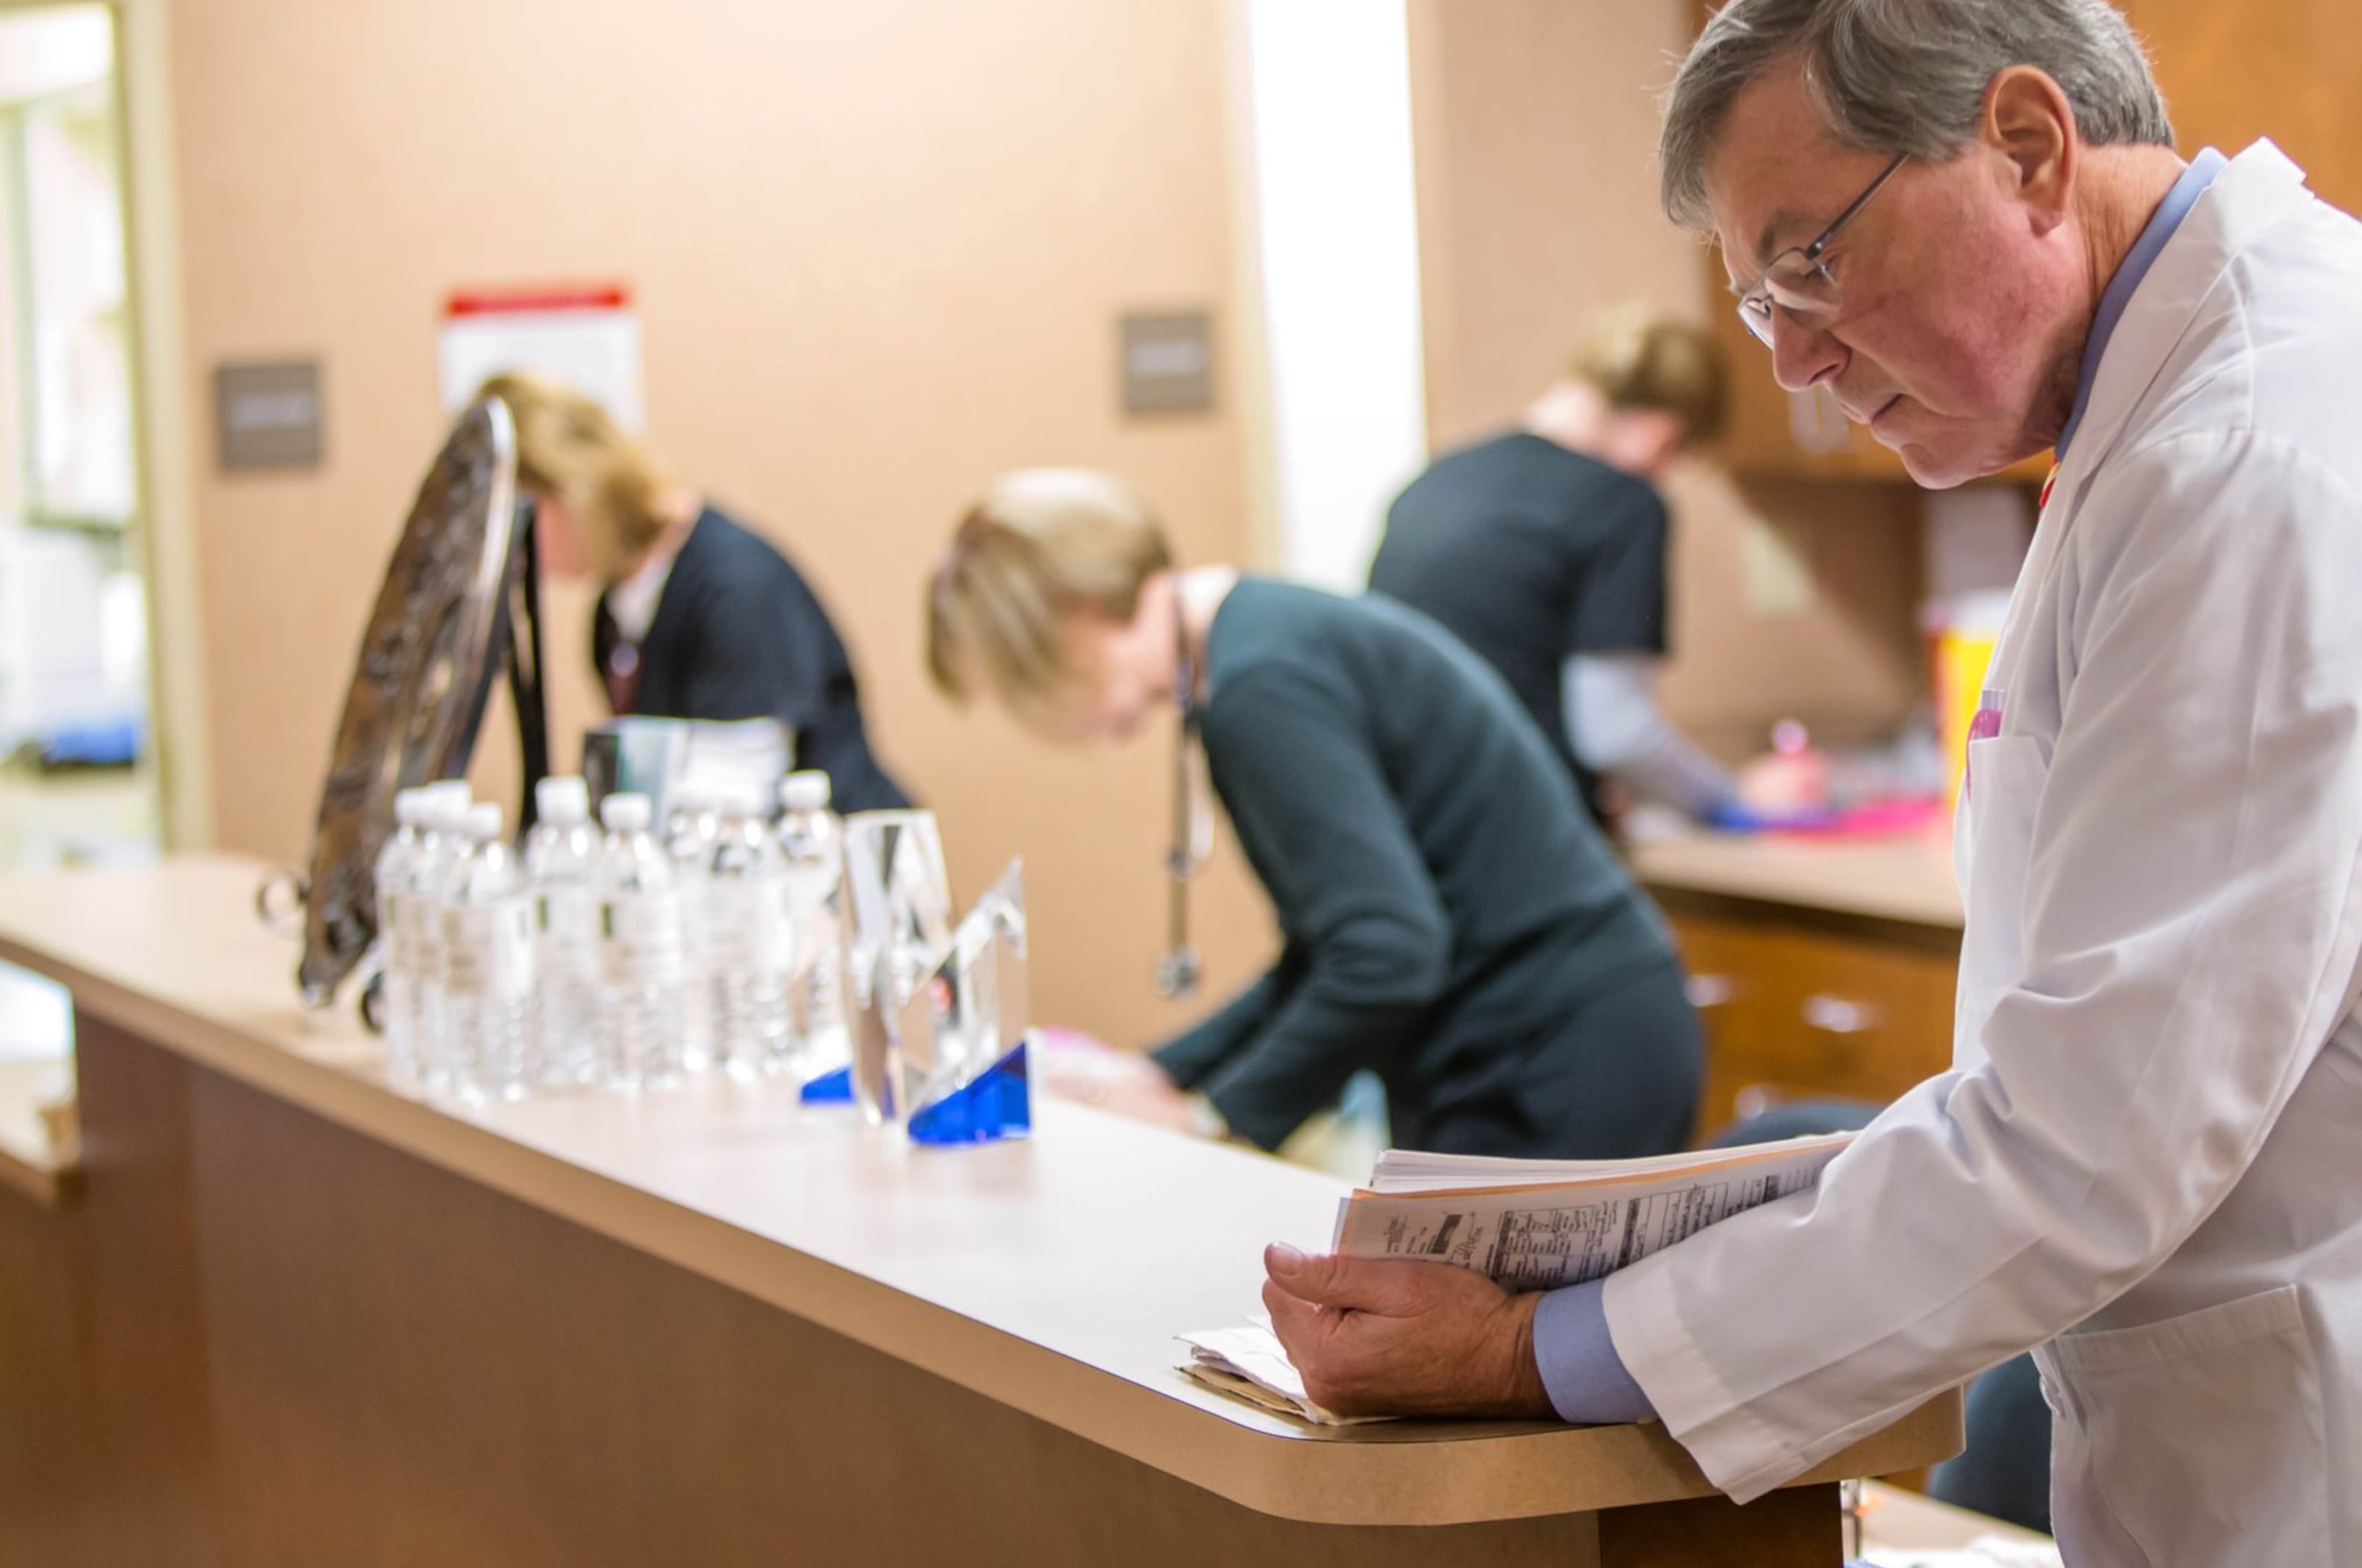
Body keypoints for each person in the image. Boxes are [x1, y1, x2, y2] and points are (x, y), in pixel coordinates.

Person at [1256, 0, 2362, 1564]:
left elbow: (2087, 1135)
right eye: (1758, 306)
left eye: (1808, 263)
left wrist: (1540, 1349)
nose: (1789, 358)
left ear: (2020, 142)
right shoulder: (2181, 417)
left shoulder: (2267, 442)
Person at [922, 467, 1701, 1159]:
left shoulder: (1259, 686)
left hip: (1553, 1061)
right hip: (1567, 1034)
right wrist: (1162, 1073)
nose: (1044, 713)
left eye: (1029, 676)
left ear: (1081, 612)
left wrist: (1214, 1123)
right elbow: (1334, 947)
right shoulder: (1260, 639)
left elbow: (1389, 952)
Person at [1366, 309, 1741, 821]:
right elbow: (1616, 731)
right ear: (1662, 436)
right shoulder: (1622, 503)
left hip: (1401, 817)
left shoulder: (1430, 483)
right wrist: (1733, 799)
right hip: (1519, 830)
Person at [481, 372, 911, 813]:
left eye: (520, 518)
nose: (517, 554)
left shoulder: (737, 589)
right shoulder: (615, 611)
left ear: (569, 491)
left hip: (837, 855)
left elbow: (733, 799)